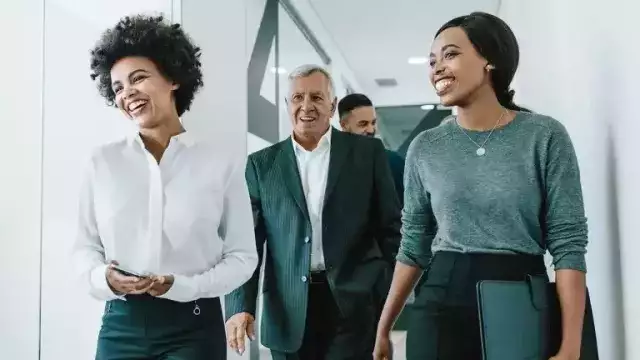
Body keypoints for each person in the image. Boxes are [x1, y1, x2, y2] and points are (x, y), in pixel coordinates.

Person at [373, 12, 588, 360]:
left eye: (450, 54)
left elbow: (568, 243)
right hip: (440, 301)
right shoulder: (425, 146)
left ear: (489, 59)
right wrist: (384, 327)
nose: (437, 68)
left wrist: (571, 346)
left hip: (519, 301)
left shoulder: (544, 136)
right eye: (432, 61)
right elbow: (413, 243)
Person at [72, 15, 258, 360]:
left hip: (194, 326)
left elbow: (243, 257)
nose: (127, 93)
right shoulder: (102, 163)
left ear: (172, 78)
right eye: (117, 87)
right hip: (121, 325)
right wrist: (105, 279)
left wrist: (186, 287)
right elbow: (84, 249)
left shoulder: (220, 162)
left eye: (138, 78)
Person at [224, 64, 401, 360]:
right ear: (287, 105)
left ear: (332, 106)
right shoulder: (261, 165)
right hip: (288, 308)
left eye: (317, 98)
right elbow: (246, 243)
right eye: (298, 98)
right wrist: (239, 306)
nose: (307, 106)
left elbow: (390, 230)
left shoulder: (367, 154)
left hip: (354, 306)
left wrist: (386, 298)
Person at [338, 93, 405, 205]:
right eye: (363, 124)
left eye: (373, 123)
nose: (371, 129)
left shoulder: (392, 161)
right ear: (344, 125)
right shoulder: (332, 164)